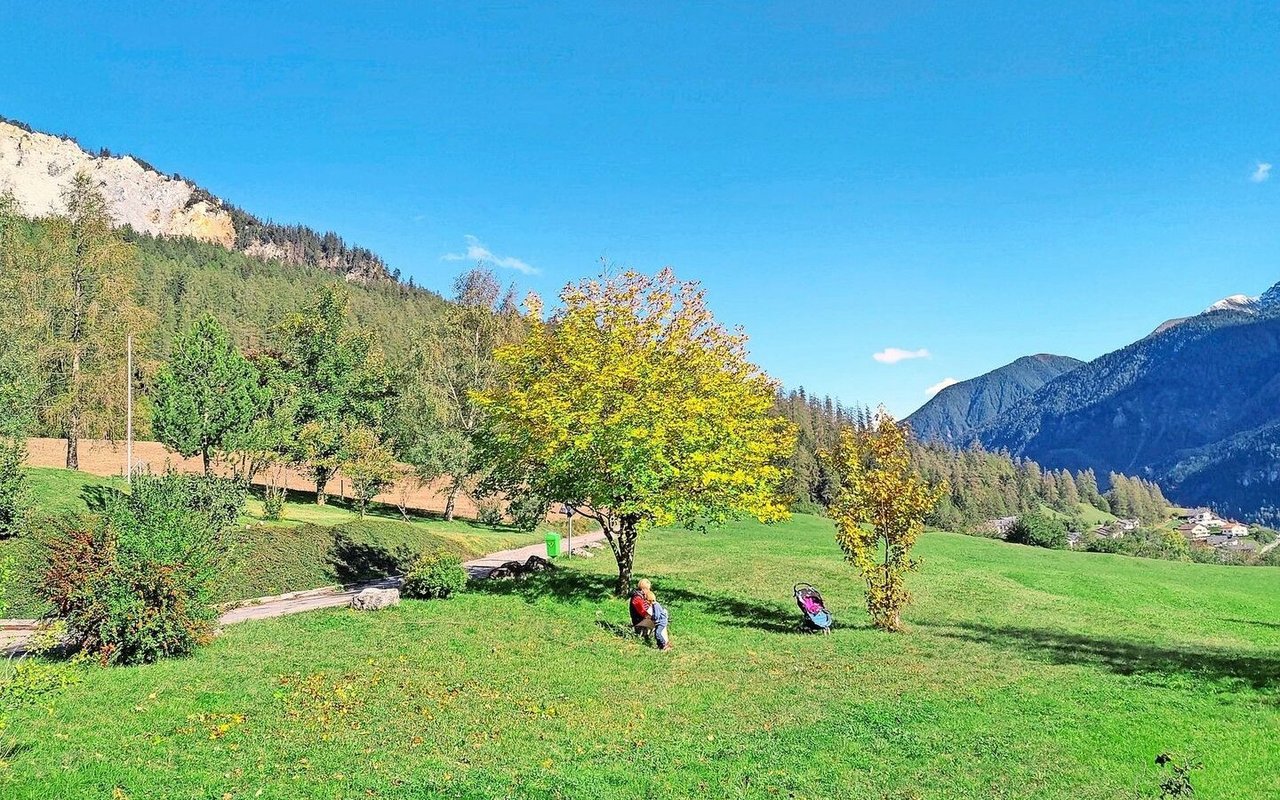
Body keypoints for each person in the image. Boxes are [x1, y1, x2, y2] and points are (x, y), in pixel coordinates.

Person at [629, 578, 671, 651]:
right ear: (643, 589)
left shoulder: (642, 595)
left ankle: (664, 643)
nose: (649, 591)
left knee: (662, 619)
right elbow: (644, 613)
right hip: (639, 621)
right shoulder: (637, 599)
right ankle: (664, 644)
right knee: (661, 622)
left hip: (644, 618)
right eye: (648, 589)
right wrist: (654, 617)